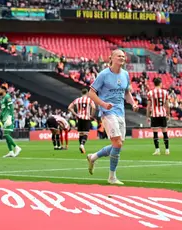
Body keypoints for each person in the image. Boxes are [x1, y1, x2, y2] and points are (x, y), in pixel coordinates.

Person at [86, 49, 139, 185]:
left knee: (118, 144)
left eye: (123, 56)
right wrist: (103, 104)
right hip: (107, 112)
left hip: (120, 112)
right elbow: (91, 93)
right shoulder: (103, 74)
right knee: (118, 143)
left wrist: (132, 103)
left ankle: (93, 157)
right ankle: (112, 177)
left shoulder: (125, 75)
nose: (122, 58)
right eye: (119, 56)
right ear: (112, 58)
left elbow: (126, 92)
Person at [0, 86, 22, 157]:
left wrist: (10, 117)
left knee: (6, 134)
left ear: (4, 90)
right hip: (4, 119)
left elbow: (11, 107)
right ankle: (11, 151)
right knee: (7, 135)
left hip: (8, 118)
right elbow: (3, 111)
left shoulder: (7, 97)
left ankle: (16, 147)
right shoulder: (2, 99)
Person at [146, 77, 170, 155]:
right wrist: (168, 114)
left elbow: (148, 106)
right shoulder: (165, 92)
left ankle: (157, 150)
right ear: (160, 83)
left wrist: (147, 116)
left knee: (155, 133)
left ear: (154, 84)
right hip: (163, 114)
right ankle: (167, 150)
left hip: (154, 114)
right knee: (165, 132)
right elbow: (167, 105)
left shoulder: (150, 93)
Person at [68, 88, 96, 154]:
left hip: (79, 118)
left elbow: (69, 107)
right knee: (85, 133)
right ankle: (82, 145)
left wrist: (75, 114)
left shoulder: (77, 100)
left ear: (81, 93)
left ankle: (81, 145)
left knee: (80, 133)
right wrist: (91, 115)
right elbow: (94, 107)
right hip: (86, 118)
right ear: (87, 93)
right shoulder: (89, 100)